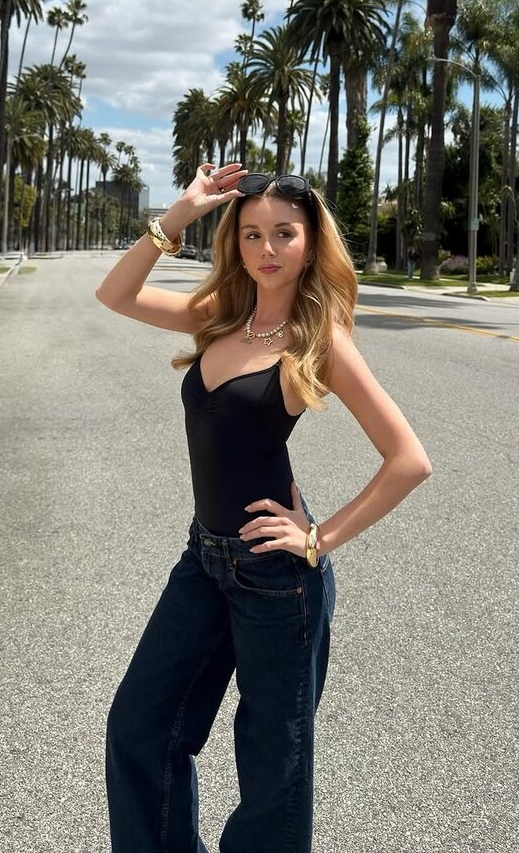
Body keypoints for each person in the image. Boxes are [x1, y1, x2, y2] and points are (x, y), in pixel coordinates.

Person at [95, 162, 432, 853]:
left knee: (271, 767)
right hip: (204, 559)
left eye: (284, 233)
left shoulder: (318, 340)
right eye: (251, 234)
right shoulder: (221, 314)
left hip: (276, 578)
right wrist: (182, 212)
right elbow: (115, 293)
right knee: (140, 727)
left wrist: (318, 538)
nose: (267, 248)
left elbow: (408, 459)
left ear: (310, 242)